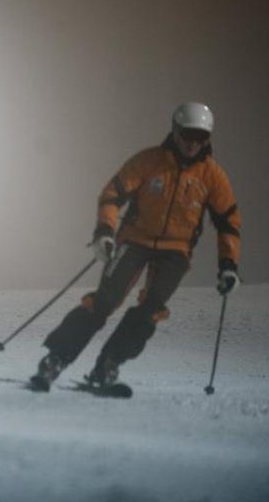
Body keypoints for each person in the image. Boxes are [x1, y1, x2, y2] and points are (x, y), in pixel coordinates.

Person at [30, 102, 241, 392]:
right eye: (187, 135)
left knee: (150, 309)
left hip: (176, 251)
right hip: (135, 240)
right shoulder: (150, 161)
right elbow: (113, 193)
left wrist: (228, 265)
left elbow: (228, 222)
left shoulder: (212, 176)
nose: (193, 144)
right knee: (105, 300)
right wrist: (105, 231)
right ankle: (55, 360)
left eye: (200, 138)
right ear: (175, 131)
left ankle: (108, 365)